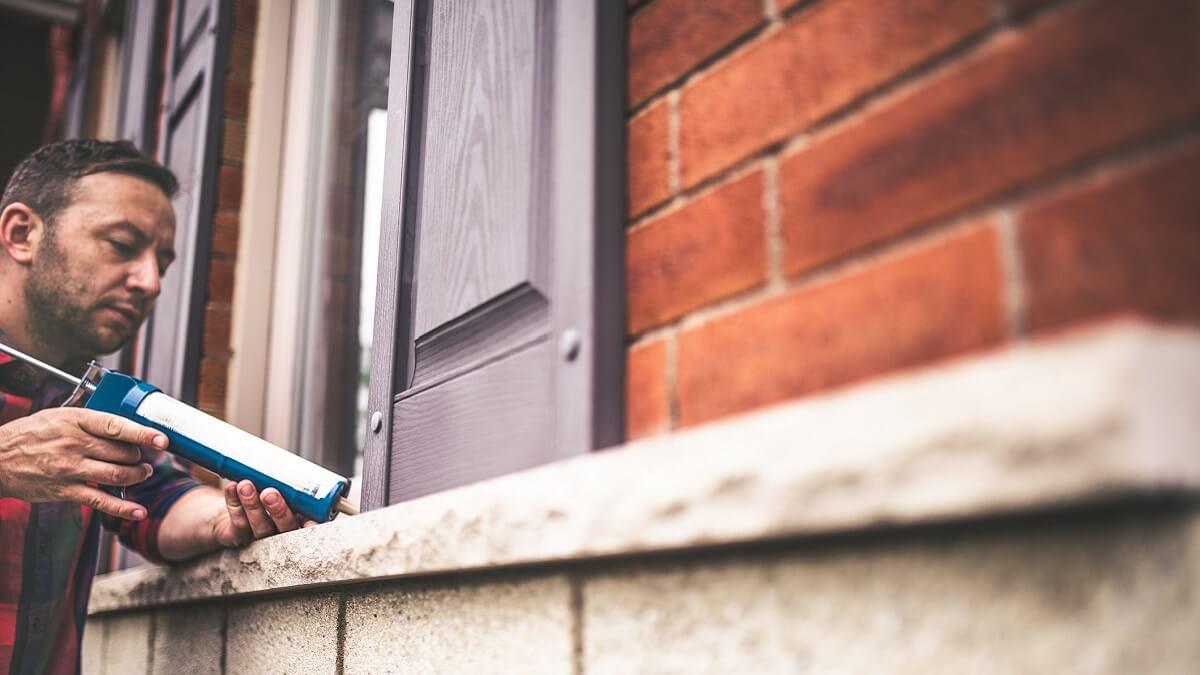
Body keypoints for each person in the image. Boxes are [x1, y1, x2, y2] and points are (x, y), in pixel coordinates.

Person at [0, 140, 311, 674]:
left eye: (161, 261)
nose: (151, 282)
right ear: (23, 234)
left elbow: (159, 499)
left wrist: (229, 516)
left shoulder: (94, 398)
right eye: (122, 244)